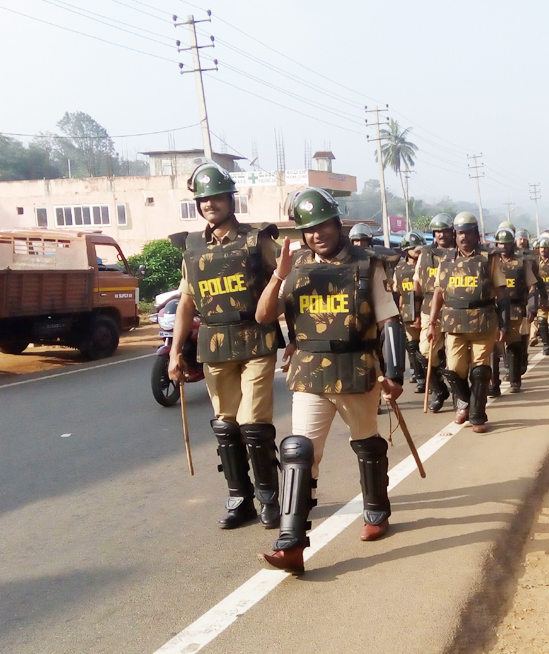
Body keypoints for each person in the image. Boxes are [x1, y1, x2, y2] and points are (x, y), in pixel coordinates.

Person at [255, 187, 406, 575]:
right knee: (298, 452)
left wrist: (394, 373)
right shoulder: (294, 266)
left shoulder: (366, 264)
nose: (317, 234)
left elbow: (389, 322)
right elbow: (263, 315)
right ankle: (290, 543)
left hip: (356, 369)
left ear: (337, 224)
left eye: (323, 225)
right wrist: (279, 276)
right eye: (308, 229)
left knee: (367, 442)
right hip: (310, 370)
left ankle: (375, 508)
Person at [168, 163, 284, 530]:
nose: (209, 205)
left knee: (254, 424)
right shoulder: (192, 246)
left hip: (255, 338)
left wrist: (297, 338)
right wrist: (174, 352)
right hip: (214, 344)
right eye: (203, 199)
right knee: (226, 425)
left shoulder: (257, 240)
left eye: (216, 197)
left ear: (230, 199)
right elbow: (186, 302)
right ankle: (239, 497)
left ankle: (268, 497)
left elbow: (288, 281)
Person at [422, 212, 509, 433]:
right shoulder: (446, 259)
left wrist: (504, 324)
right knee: (454, 370)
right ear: (455, 234)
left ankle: (477, 415)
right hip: (454, 323)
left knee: (480, 370)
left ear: (476, 234)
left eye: (468, 232)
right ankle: (464, 402)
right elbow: (438, 293)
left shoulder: (489, 258)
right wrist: (432, 323)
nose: (463, 237)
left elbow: (502, 293)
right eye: (460, 233)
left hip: (483, 321)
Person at [493, 227, 544, 394]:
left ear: (512, 244)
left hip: (514, 308)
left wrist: (533, 307)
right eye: (500, 243)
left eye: (506, 243)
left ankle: (515, 380)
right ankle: (493, 383)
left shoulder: (522, 262)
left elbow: (532, 286)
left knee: (513, 344)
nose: (503, 247)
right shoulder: (490, 262)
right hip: (493, 309)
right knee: (492, 348)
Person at [414, 214, 454, 412]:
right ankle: (439, 389)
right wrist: (416, 311)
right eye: (438, 231)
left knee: (454, 353)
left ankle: (460, 393)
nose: (441, 235)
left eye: (445, 230)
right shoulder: (425, 254)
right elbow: (417, 284)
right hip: (430, 306)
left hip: (455, 305)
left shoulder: (459, 252)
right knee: (425, 351)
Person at [393, 231, 428, 393]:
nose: (416, 251)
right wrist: (399, 314)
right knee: (413, 346)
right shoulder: (399, 268)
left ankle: (432, 375)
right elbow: (398, 293)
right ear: (406, 249)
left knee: (427, 347)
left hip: (426, 311)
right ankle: (421, 378)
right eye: (413, 248)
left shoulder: (428, 264)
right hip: (408, 312)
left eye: (418, 248)